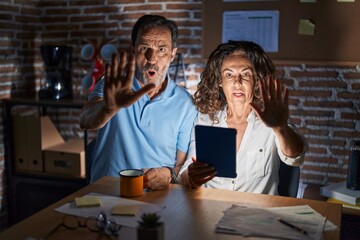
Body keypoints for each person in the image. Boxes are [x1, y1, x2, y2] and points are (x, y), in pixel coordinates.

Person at [80, 14, 197, 191]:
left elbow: (180, 167)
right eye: (144, 48)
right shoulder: (114, 85)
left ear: (172, 54)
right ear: (133, 49)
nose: (152, 58)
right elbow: (86, 120)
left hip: (157, 200)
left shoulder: (185, 103)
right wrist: (110, 108)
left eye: (161, 50)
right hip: (107, 194)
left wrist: (168, 174)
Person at [179, 41, 307, 195]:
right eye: (229, 75)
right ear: (220, 81)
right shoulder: (205, 119)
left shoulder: (272, 117)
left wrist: (281, 128)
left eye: (246, 74)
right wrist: (192, 177)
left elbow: (295, 156)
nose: (237, 83)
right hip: (212, 209)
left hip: (257, 213)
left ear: (257, 79)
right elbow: (185, 174)